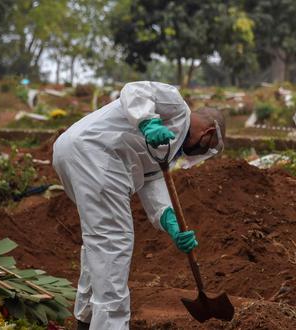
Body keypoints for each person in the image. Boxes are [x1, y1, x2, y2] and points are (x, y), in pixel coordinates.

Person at [52, 81, 225, 330]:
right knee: (114, 243)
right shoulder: (176, 105)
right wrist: (148, 121)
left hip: (76, 152)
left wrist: (170, 221)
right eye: (206, 147)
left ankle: (86, 319)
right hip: (96, 154)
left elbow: (151, 183)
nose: (197, 152)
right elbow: (134, 90)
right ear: (207, 133)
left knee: (99, 242)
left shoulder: (168, 148)